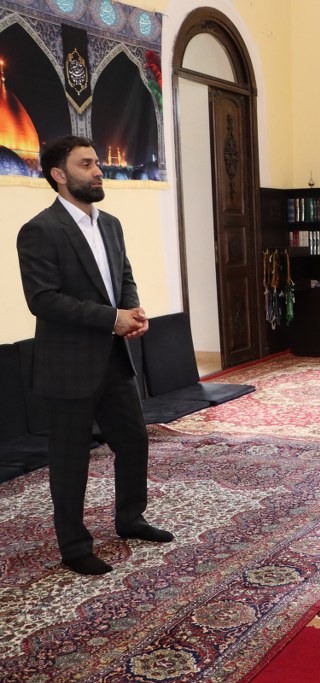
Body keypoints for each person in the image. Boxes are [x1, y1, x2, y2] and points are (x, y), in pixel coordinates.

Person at [17, 135, 173, 576]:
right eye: (86, 164)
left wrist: (132, 312)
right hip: (68, 366)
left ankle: (130, 518)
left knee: (134, 440)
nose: (99, 171)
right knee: (71, 458)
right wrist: (112, 319)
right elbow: (43, 300)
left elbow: (123, 277)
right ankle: (74, 546)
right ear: (59, 175)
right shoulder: (40, 230)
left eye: (97, 163)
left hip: (114, 360)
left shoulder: (111, 225)